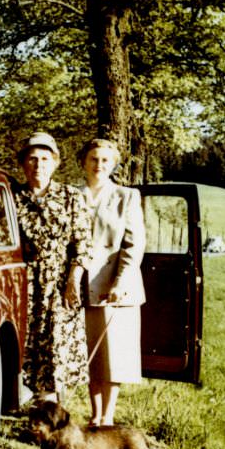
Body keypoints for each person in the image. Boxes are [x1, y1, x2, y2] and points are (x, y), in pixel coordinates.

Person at [12, 131, 92, 402]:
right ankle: (32, 403)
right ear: (23, 163)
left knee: (56, 343)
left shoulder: (70, 196)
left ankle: (52, 409)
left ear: (55, 163)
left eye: (45, 159)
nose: (39, 165)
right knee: (28, 342)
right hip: (25, 280)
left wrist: (73, 280)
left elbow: (83, 243)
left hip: (60, 283)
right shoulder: (12, 198)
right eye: (32, 159)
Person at [78, 138, 146, 427]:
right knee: (90, 355)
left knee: (114, 356)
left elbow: (134, 244)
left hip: (117, 288)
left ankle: (108, 418)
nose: (99, 165)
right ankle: (95, 417)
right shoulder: (73, 195)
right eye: (94, 159)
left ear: (113, 165)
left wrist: (120, 282)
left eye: (105, 160)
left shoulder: (126, 197)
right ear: (84, 162)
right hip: (83, 286)